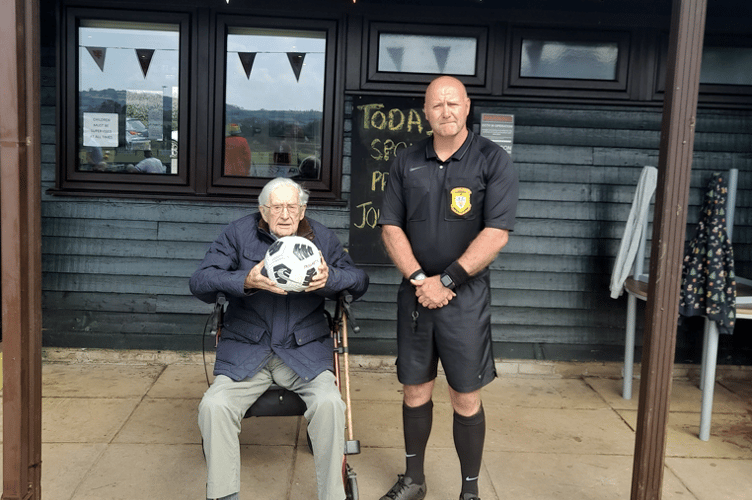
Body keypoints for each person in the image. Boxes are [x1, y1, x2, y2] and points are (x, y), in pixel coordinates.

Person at [377, 76, 519, 500]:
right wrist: (421, 280)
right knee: (415, 388)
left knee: (465, 395)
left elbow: (496, 234)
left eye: (453, 103)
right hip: (417, 296)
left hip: (465, 299)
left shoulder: (493, 161)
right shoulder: (406, 161)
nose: (446, 111)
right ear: (425, 111)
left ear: (467, 105)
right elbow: (389, 227)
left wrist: (449, 280)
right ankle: (414, 481)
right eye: (436, 104)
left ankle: (470, 492)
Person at [190, 177, 369, 500]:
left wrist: (332, 278)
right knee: (214, 406)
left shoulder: (321, 238)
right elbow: (201, 281)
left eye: (292, 207)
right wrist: (245, 279)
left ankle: (332, 495)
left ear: (302, 210)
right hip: (248, 350)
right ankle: (223, 494)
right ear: (263, 210)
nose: (285, 214)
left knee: (330, 404)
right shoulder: (237, 235)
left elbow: (358, 280)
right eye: (277, 207)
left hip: (303, 351)